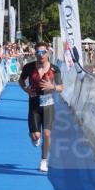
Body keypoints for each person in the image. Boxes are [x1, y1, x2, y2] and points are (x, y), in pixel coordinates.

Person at [19, 42, 63, 173]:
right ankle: (33, 136)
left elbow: (61, 88)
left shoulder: (55, 69)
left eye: (43, 52)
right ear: (35, 54)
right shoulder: (28, 67)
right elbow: (21, 81)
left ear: (48, 53)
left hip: (48, 104)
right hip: (34, 104)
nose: (41, 55)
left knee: (47, 133)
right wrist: (26, 90)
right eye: (38, 53)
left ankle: (44, 160)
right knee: (36, 136)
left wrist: (52, 87)